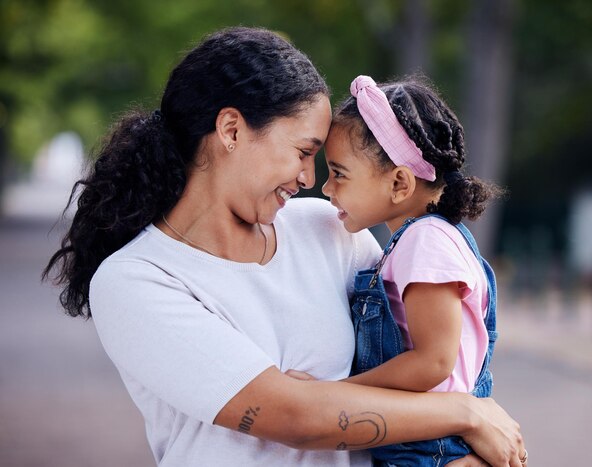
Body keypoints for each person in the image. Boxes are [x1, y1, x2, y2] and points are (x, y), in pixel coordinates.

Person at [43, 27, 525, 467]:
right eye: (303, 152)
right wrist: (466, 414)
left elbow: (436, 349)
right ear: (231, 130)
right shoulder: (137, 280)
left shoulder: (327, 230)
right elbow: (295, 418)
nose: (310, 179)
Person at [312, 74, 506, 466]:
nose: (326, 188)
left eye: (339, 173)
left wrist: (336, 393)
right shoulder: (428, 239)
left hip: (427, 448)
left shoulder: (425, 242)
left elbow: (433, 363)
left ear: (400, 182)